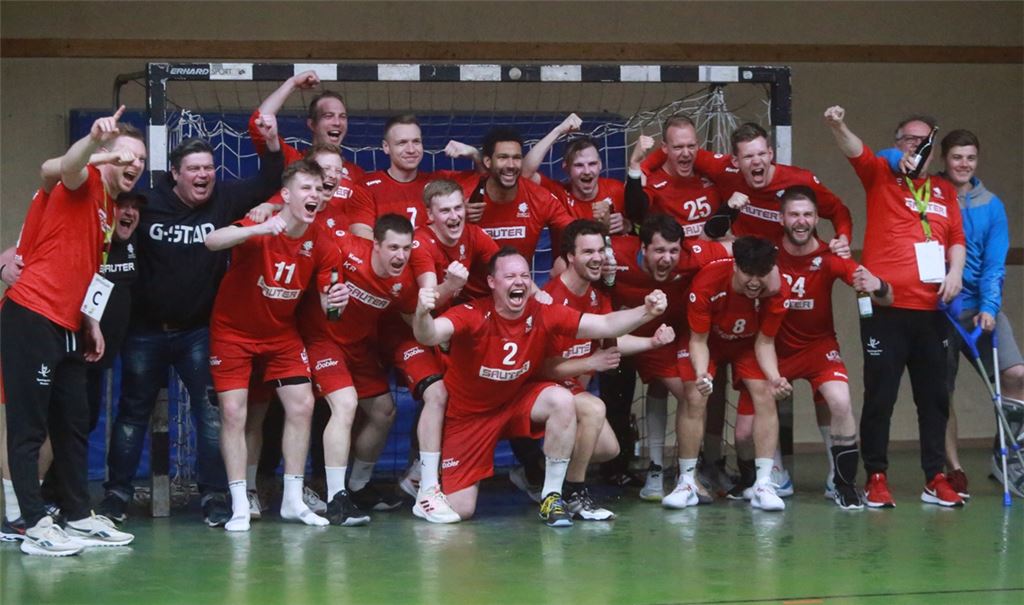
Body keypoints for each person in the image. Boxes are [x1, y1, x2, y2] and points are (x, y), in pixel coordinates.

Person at [98, 117, 284, 526]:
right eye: (195, 169)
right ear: (175, 174)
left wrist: (270, 142)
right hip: (144, 330)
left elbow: (271, 178)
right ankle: (116, 495)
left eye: (209, 168)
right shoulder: (145, 202)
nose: (204, 175)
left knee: (211, 415)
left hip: (198, 331)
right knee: (131, 414)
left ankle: (214, 496)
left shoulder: (224, 199)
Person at [412, 247, 667, 526]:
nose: (519, 281)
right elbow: (429, 335)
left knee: (562, 400)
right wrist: (422, 313)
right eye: (510, 276)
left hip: (517, 400)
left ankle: (552, 496)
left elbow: (605, 324)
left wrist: (646, 311)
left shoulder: (543, 312)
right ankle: (429, 484)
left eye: (524, 275)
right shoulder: (471, 314)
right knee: (461, 510)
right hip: (471, 416)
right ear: (492, 282)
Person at [2, 107, 142, 555]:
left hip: (69, 324)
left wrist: (91, 321)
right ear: (107, 158)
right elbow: (62, 166)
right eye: (126, 156)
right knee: (29, 428)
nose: (134, 164)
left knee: (74, 423)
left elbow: (87, 269)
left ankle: (78, 515)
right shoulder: (83, 182)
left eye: (140, 159)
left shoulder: (108, 208)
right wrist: (96, 142)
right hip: (32, 314)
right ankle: (29, 523)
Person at [824, 105, 967, 508]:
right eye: (909, 140)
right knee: (881, 395)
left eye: (924, 141)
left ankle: (934, 477)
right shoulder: (881, 175)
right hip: (883, 306)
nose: (916, 146)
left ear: (933, 149)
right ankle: (877, 476)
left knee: (934, 398)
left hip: (932, 311)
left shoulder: (943, 191)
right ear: (898, 144)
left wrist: (956, 272)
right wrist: (838, 125)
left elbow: (956, 238)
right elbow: (855, 150)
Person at [204, 159, 345, 532]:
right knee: (234, 412)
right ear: (286, 195)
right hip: (233, 332)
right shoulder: (262, 226)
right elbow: (211, 240)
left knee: (302, 405)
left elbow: (330, 310)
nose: (314, 195)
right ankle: (239, 502)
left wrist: (337, 303)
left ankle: (293, 500)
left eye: (319, 189)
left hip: (280, 334)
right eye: (306, 188)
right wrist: (256, 229)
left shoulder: (324, 243)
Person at [731, 187, 893, 509]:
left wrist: (879, 285)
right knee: (743, 435)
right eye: (794, 214)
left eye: (807, 214)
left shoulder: (831, 257)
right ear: (782, 218)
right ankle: (766, 476)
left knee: (840, 401)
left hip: (818, 348)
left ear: (817, 218)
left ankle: (842, 483)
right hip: (771, 348)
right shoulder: (768, 254)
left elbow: (886, 298)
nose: (801, 221)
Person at [541, 219, 677, 520]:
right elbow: (544, 369)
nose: (597, 258)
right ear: (570, 257)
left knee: (608, 449)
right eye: (588, 252)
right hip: (541, 389)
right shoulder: (552, 299)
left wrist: (652, 342)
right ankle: (572, 493)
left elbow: (609, 335)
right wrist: (591, 363)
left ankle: (545, 471)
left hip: (570, 387)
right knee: (595, 407)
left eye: (600, 250)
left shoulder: (594, 294)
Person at [300, 214, 431, 516]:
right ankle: (336, 497)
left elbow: (416, 323)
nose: (400, 256)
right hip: (322, 340)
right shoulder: (345, 248)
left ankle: (358, 486)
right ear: (376, 244)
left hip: (358, 348)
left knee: (384, 411)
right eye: (393, 247)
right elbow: (309, 243)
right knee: (346, 404)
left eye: (406, 248)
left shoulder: (405, 283)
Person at [931, 130, 1019, 498]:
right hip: (939, 308)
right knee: (942, 390)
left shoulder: (991, 205)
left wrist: (989, 307)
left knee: (1016, 374)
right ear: (944, 159)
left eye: (970, 157)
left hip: (980, 306)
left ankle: (1008, 457)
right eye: (957, 157)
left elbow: (994, 264)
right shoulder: (931, 195)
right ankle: (954, 467)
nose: (964, 164)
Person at [673, 237, 791, 511]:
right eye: (748, 273)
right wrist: (702, 374)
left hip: (747, 345)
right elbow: (698, 340)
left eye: (761, 274)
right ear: (735, 265)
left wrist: (775, 378)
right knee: (695, 395)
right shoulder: (707, 282)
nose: (755, 282)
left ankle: (763, 483)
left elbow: (765, 343)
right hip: (707, 343)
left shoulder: (777, 290)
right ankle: (687, 482)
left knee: (766, 393)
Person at [347, 115, 478, 238]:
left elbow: (488, 178)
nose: (411, 150)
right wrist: (402, 250)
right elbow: (361, 233)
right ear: (386, 147)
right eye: (402, 143)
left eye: (416, 142)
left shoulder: (440, 183)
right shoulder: (366, 187)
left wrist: (475, 154)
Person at [249, 70, 365, 205]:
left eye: (342, 117)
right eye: (328, 116)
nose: (337, 122)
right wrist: (292, 83)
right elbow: (258, 124)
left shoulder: (357, 174)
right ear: (312, 124)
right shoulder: (295, 160)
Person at [520, 114, 630, 237]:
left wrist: (626, 225)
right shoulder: (557, 194)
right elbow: (524, 173)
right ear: (566, 167)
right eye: (579, 165)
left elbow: (640, 226)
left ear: (600, 165)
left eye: (592, 164)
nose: (587, 171)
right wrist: (558, 130)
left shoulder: (617, 189)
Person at [624, 115, 722, 239]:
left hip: (713, 249)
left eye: (691, 146)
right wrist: (635, 164)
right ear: (664, 148)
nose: (686, 153)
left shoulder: (710, 176)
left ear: (698, 145)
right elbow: (634, 212)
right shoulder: (653, 182)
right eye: (678, 147)